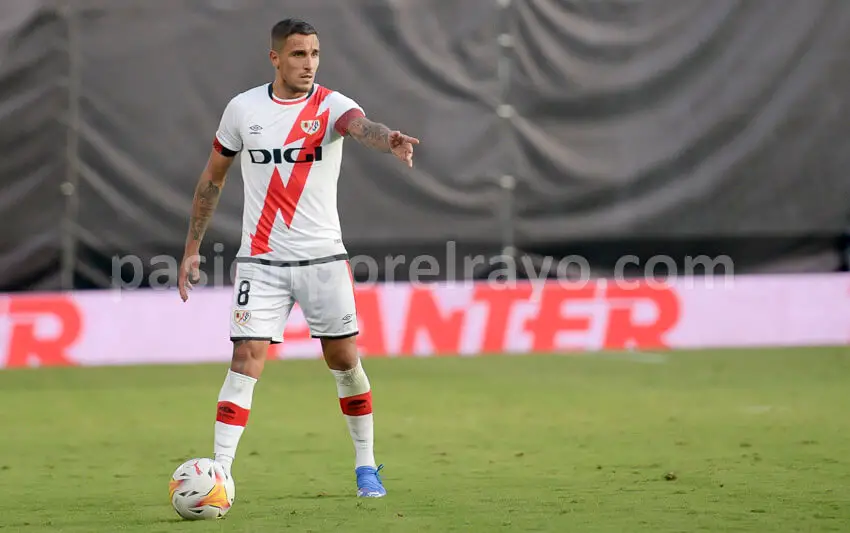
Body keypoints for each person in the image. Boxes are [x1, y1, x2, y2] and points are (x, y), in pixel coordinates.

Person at [177, 18, 419, 499]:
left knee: (344, 358)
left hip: (323, 260)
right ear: (275, 58)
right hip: (261, 262)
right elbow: (212, 179)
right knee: (245, 358)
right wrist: (190, 249)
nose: (308, 63)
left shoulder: (332, 106)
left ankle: (366, 465)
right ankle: (221, 475)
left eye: (314, 54)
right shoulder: (243, 110)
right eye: (297, 54)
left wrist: (387, 137)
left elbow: (361, 127)